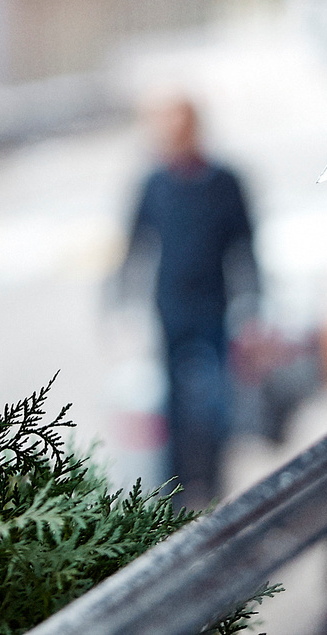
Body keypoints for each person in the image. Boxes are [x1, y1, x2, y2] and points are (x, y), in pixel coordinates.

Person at [119, 94, 258, 509]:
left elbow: (246, 246)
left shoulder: (225, 182)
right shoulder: (154, 184)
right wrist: (122, 306)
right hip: (170, 308)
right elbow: (135, 246)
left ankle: (213, 482)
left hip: (215, 307)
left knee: (217, 401)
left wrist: (253, 306)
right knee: (171, 403)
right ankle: (173, 488)